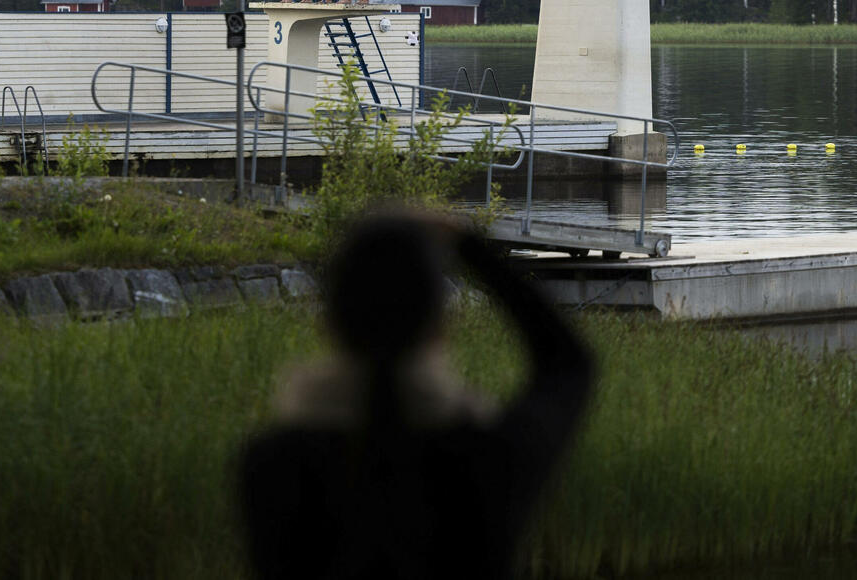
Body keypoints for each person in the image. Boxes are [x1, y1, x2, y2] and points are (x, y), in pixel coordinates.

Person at [238, 210, 593, 580]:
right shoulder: (489, 458)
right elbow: (568, 365)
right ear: (440, 324)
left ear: (329, 323)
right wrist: (470, 247)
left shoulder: (271, 464)